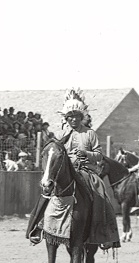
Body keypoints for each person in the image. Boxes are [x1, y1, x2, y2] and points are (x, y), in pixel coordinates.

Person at [24, 90, 121, 247]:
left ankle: (103, 233)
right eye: (70, 117)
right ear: (66, 118)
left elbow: (99, 155)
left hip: (85, 171)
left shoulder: (90, 133)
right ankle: (38, 226)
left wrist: (86, 153)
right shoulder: (61, 134)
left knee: (100, 190)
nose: (74, 119)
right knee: (47, 191)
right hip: (64, 171)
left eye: (77, 116)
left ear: (81, 117)